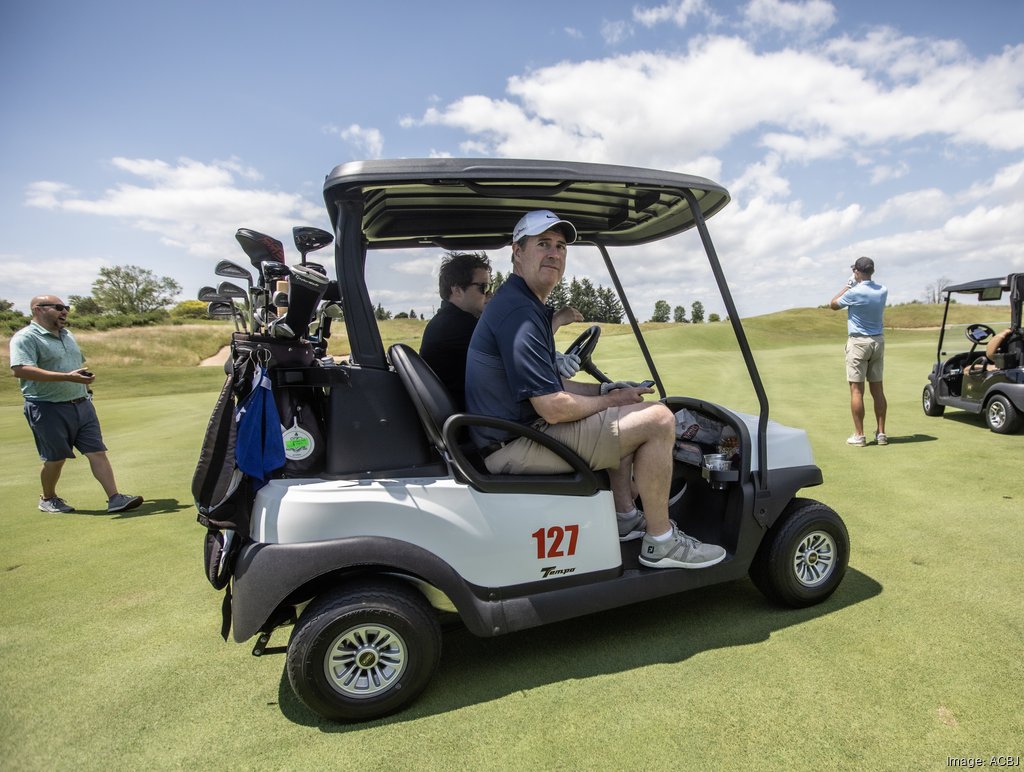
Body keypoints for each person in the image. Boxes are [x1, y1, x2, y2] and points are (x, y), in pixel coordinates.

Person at [465, 210, 726, 570]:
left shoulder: (525, 304)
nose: (554, 253)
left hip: (517, 432)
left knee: (620, 415)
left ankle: (624, 518)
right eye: (543, 244)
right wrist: (611, 399)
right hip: (515, 443)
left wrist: (604, 389)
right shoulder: (519, 313)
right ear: (517, 252)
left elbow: (551, 384)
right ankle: (662, 541)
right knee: (659, 420)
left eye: (560, 246)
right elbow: (553, 407)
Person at [9, 296, 144, 514]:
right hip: (46, 407)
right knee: (55, 459)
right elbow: (21, 369)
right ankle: (48, 498)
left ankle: (115, 498)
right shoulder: (25, 338)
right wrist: (67, 377)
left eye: (67, 308)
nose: (65, 312)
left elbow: (74, 365)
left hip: (81, 404)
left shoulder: (67, 335)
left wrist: (83, 383)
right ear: (38, 309)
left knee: (97, 451)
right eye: (59, 308)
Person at [420, 251, 584, 407]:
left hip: (476, 414)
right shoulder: (454, 326)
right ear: (457, 291)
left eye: (490, 287)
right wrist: (558, 319)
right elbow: (520, 349)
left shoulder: (451, 322)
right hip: (480, 423)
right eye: (483, 288)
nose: (490, 295)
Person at [830, 257, 889, 446]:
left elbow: (833, 304)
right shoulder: (882, 290)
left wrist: (848, 285)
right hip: (877, 342)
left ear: (856, 271)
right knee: (877, 389)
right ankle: (881, 434)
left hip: (858, 343)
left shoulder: (854, 292)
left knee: (857, 391)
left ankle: (859, 435)